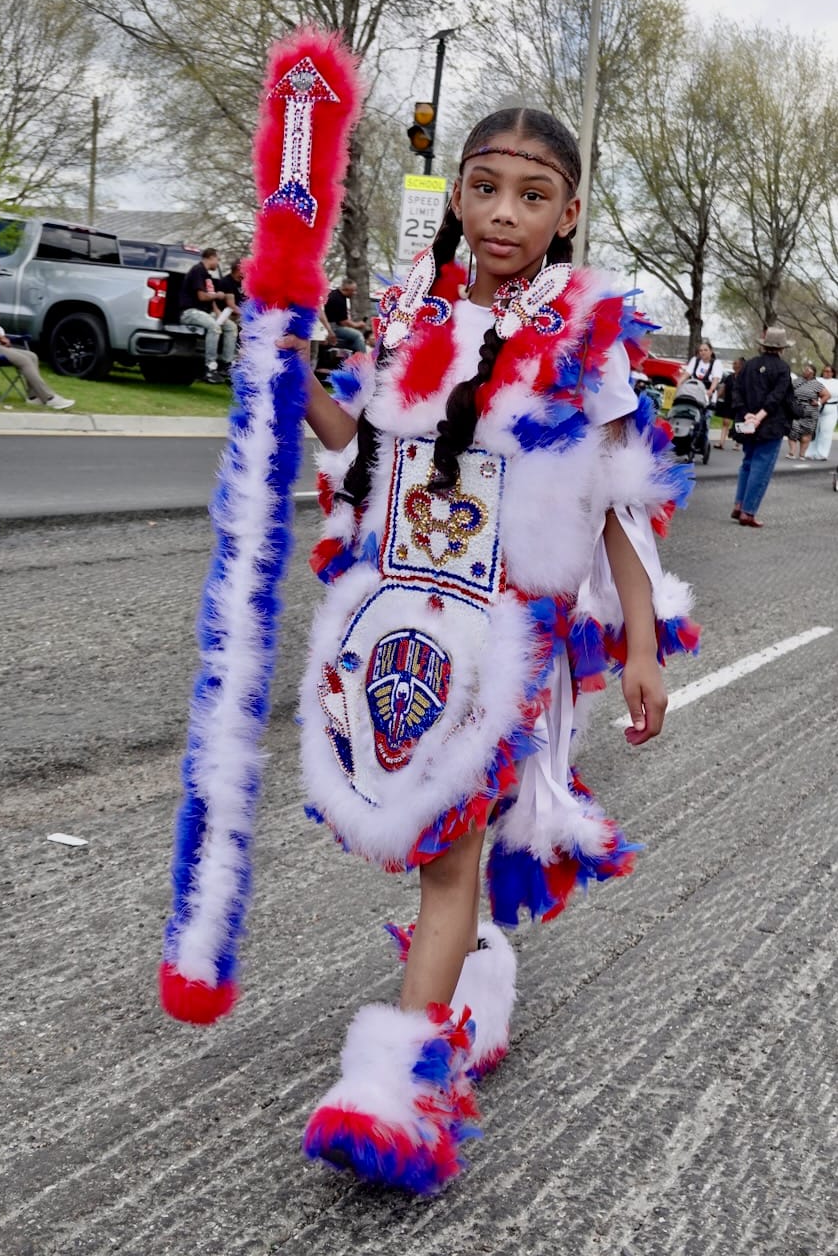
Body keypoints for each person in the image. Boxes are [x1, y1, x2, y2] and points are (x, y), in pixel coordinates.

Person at [280, 107, 698, 1193]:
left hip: (505, 636)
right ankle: (468, 993)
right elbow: (364, 459)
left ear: (567, 213)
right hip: (400, 629)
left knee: (448, 857)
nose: (503, 212)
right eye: (485, 187)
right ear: (458, 194)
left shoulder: (585, 333)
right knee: (428, 839)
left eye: (531, 194)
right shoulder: (406, 314)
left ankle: (397, 1095)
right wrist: (297, 381)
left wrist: (642, 642)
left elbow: (619, 504)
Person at [731, 326, 796, 527]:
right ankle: (748, 512)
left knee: (747, 462)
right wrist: (759, 416)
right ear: (782, 348)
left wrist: (746, 414)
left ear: (764, 345)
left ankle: (739, 504)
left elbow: (736, 390)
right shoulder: (782, 368)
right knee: (762, 467)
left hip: (746, 421)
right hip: (770, 424)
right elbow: (777, 397)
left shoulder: (749, 365)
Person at [0, 310, 74, 409]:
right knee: (24, 360)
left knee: (32, 356)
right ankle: (49, 397)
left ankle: (33, 397)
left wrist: (0, 334)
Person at [179, 247, 238, 383]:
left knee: (231, 327)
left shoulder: (207, 276)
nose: (218, 262)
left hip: (204, 313)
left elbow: (210, 300)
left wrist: (218, 314)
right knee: (214, 327)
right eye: (218, 259)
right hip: (189, 312)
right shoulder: (198, 271)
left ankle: (226, 365)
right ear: (211, 257)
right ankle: (210, 367)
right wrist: (217, 295)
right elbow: (202, 296)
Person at [680, 339, 723, 435]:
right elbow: (686, 374)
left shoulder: (716, 363)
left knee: (705, 421)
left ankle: (703, 439)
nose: (703, 352)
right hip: (694, 394)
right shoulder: (695, 361)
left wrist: (711, 390)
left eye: (705, 350)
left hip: (707, 396)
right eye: (701, 350)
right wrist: (679, 384)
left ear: (711, 351)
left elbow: (716, 379)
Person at [787, 363, 828, 459]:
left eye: (807, 370)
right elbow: (788, 391)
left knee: (807, 433)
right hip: (796, 410)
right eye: (805, 369)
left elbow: (827, 395)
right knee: (792, 429)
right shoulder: (797, 381)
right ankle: (792, 452)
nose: (805, 371)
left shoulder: (817, 384)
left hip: (810, 412)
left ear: (812, 373)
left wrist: (819, 402)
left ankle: (802, 454)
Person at [324, 275, 367, 353]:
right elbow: (343, 322)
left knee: (352, 340)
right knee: (358, 336)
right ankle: (363, 359)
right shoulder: (338, 300)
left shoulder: (335, 294)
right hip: (333, 327)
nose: (354, 293)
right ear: (346, 289)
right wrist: (357, 325)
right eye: (353, 291)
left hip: (329, 326)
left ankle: (353, 356)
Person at [805, 363, 838, 460]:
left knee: (826, 431)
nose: (826, 373)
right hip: (816, 408)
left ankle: (822, 454)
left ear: (833, 373)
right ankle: (810, 452)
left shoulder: (836, 382)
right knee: (813, 431)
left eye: (828, 371)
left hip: (831, 409)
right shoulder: (817, 380)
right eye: (824, 371)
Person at [714, 355, 745, 449]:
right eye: (733, 363)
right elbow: (723, 388)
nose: (733, 365)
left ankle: (738, 443)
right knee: (725, 422)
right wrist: (716, 398)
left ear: (741, 365)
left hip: (740, 403)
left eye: (735, 363)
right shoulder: (729, 377)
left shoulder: (745, 378)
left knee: (739, 423)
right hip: (728, 402)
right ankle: (721, 442)